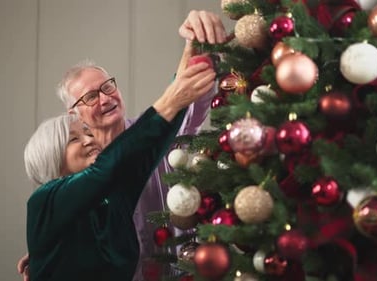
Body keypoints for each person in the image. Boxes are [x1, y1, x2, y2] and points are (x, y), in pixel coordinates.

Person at [18, 10, 227, 280]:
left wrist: (197, 46)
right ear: (73, 114)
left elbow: (183, 98)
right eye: (91, 96)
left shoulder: (154, 133)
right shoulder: (78, 178)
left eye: (107, 87)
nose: (105, 98)